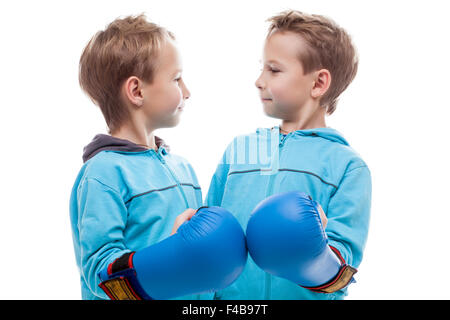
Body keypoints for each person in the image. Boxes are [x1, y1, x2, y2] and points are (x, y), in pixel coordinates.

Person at [69, 14, 247, 300]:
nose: (187, 92)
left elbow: (203, 268)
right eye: (176, 79)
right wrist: (171, 255)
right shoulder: (104, 173)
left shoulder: (182, 168)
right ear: (137, 91)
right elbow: (100, 274)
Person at [202, 10, 372, 300]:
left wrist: (315, 255)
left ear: (318, 84)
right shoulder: (240, 148)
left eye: (274, 70)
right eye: (262, 68)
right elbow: (210, 232)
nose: (259, 80)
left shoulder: (346, 166)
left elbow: (341, 272)